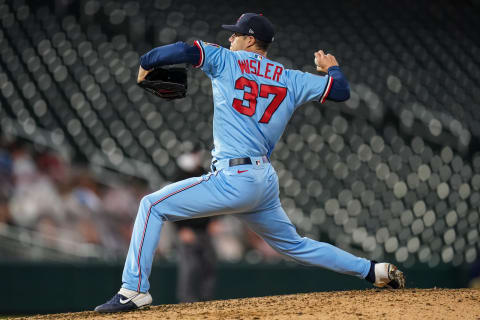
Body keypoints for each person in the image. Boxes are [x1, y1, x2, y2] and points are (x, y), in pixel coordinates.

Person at [95, 13, 405, 313]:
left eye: (235, 33)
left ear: (250, 40)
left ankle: (133, 289)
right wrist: (332, 68)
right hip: (263, 181)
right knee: (295, 245)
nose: (230, 37)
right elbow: (341, 90)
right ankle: (373, 271)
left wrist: (146, 62)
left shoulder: (225, 60)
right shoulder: (291, 78)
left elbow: (183, 50)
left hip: (233, 177)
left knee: (151, 205)